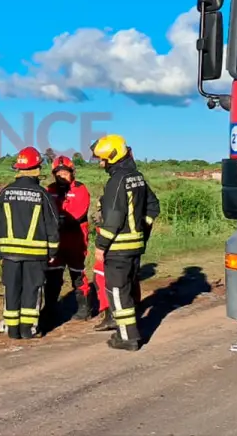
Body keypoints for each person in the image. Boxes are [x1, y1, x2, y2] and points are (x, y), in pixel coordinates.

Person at [89, 135, 160, 351]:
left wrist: (100, 245)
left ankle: (127, 337)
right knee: (126, 290)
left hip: (118, 248)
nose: (101, 164)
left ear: (112, 157)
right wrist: (141, 231)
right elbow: (153, 207)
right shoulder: (137, 177)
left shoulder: (117, 181)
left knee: (117, 292)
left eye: (103, 159)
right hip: (134, 247)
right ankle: (128, 331)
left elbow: (114, 218)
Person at [0, 146, 61, 339]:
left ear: (18, 169)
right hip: (35, 255)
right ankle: (28, 330)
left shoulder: (5, 192)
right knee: (32, 289)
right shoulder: (42, 194)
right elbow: (52, 225)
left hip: (10, 254)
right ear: (36, 169)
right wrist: (53, 252)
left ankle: (13, 330)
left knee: (11, 290)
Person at [41, 155, 92, 328]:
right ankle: (50, 309)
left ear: (72, 172)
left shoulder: (80, 189)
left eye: (65, 172)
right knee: (53, 275)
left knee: (77, 273)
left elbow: (78, 214)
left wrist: (56, 220)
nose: (62, 175)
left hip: (76, 239)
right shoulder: (50, 189)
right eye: (58, 173)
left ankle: (84, 308)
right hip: (56, 240)